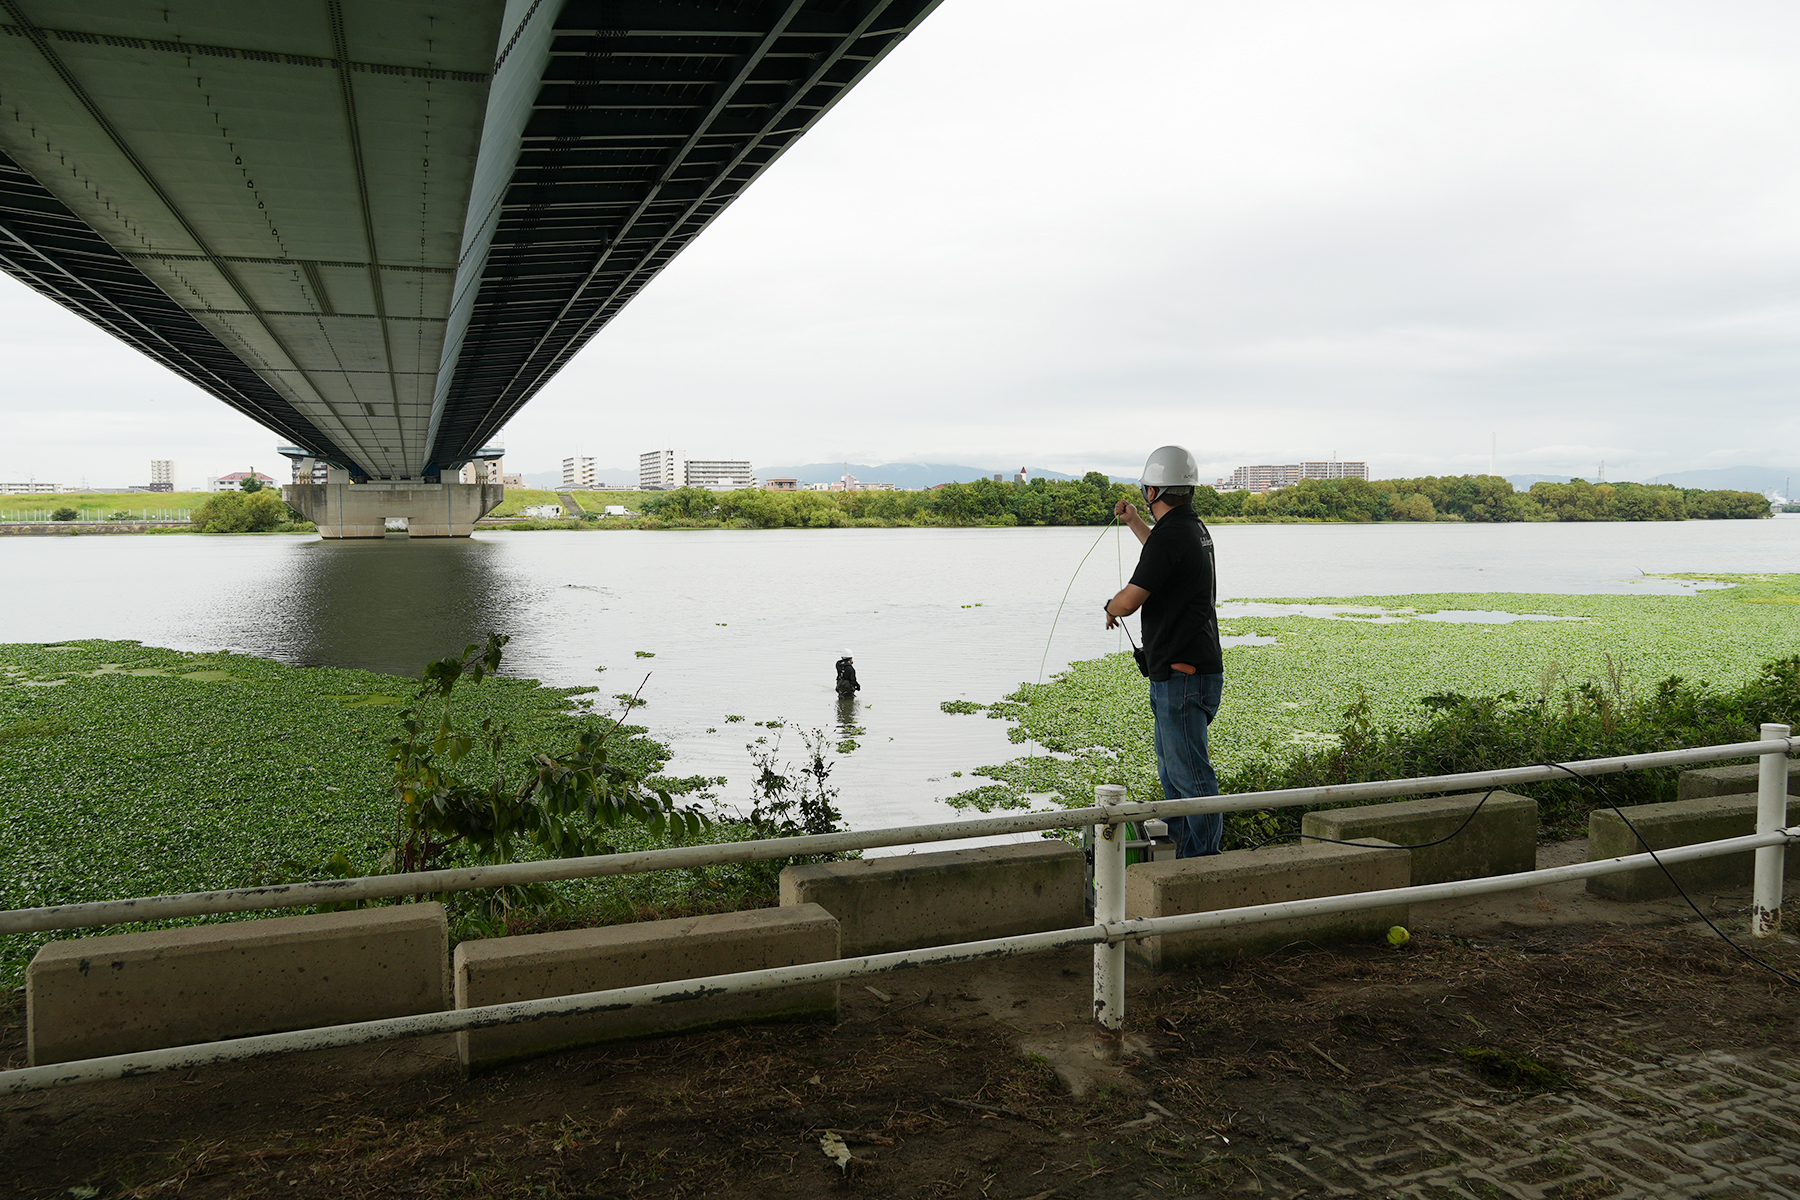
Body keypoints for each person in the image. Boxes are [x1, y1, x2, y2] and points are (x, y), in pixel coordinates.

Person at [1102, 445, 1225, 858]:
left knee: (1190, 778)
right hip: (1187, 672)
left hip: (1182, 676)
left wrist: (1111, 606)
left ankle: (1203, 865)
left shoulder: (1173, 535)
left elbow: (1129, 601)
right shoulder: (1191, 529)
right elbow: (1161, 552)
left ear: (1153, 490)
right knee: (1174, 774)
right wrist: (1135, 522)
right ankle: (1185, 857)